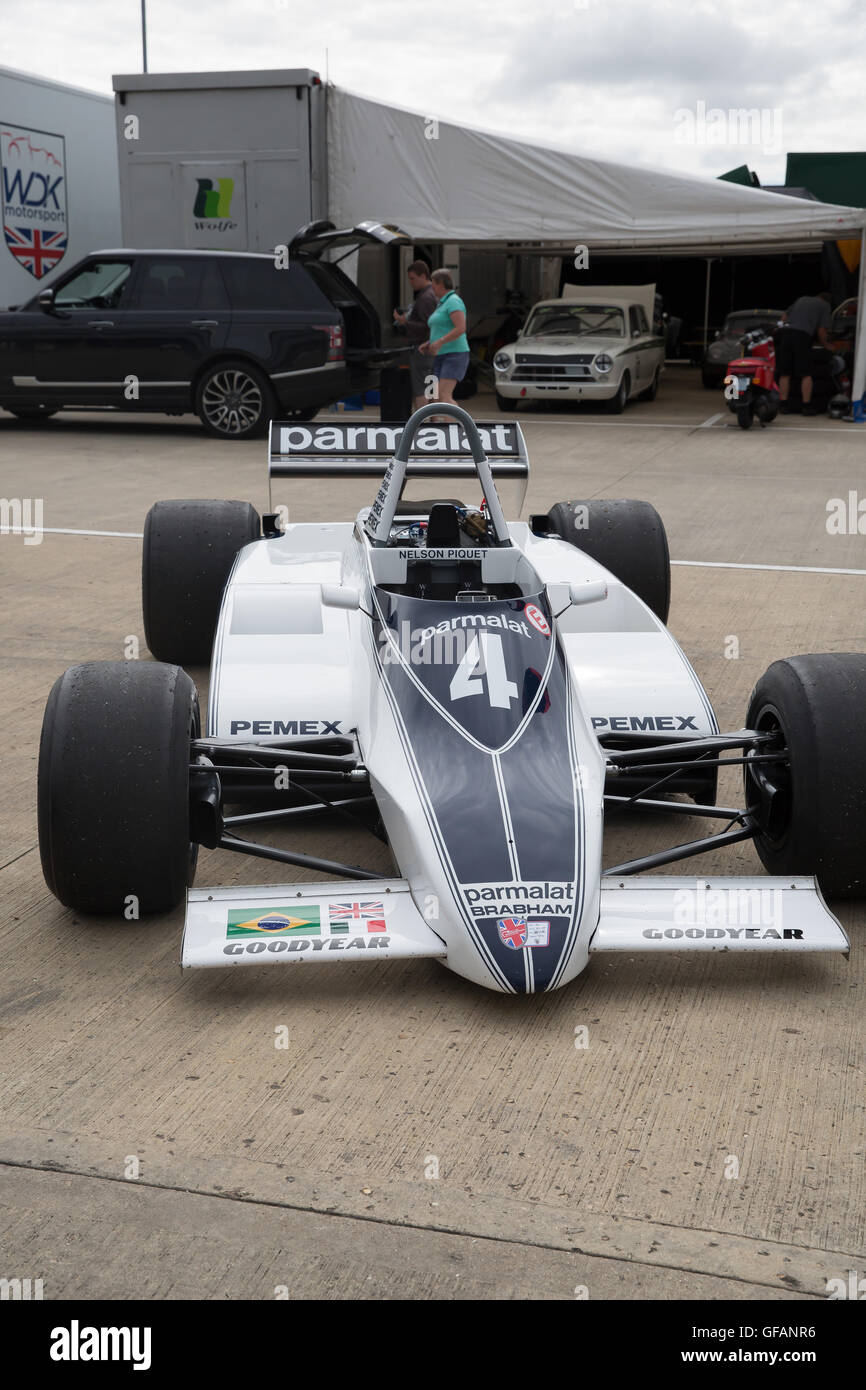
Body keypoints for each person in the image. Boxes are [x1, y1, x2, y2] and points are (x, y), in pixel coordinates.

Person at [418, 269, 470, 409]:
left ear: (441, 284)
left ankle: (459, 427)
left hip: (454, 354)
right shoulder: (442, 303)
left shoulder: (453, 301)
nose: (432, 287)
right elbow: (443, 328)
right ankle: (448, 426)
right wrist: (430, 343)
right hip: (441, 355)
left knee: (444, 395)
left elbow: (460, 328)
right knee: (436, 396)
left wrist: (440, 342)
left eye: (433, 284)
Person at [777, 291, 832, 416]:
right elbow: (821, 330)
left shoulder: (801, 299)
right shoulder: (825, 306)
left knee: (784, 373)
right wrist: (826, 345)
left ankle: (783, 405)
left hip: (786, 334)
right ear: (827, 300)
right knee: (806, 373)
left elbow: (784, 318)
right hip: (802, 336)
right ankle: (806, 406)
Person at [393, 261, 437, 412]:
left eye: (412, 278)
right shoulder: (433, 294)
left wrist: (405, 322)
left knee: (420, 389)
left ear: (423, 276)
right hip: (431, 349)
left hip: (422, 349)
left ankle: (421, 424)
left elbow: (427, 326)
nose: (410, 282)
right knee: (431, 388)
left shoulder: (425, 298)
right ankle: (433, 422)